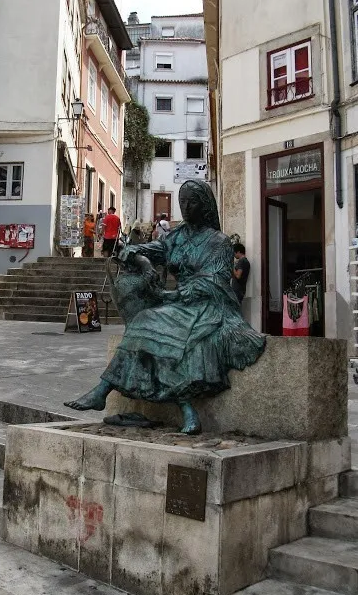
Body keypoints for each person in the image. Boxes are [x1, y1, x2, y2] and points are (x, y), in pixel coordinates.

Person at [64, 180, 266, 434]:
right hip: (179, 304)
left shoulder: (220, 242)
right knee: (150, 325)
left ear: (204, 205)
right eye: (183, 202)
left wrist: (175, 295)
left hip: (208, 305)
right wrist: (139, 257)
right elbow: (149, 249)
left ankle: (104, 391)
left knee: (154, 326)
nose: (186, 207)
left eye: (192, 202)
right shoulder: (177, 237)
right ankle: (179, 408)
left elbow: (215, 280)